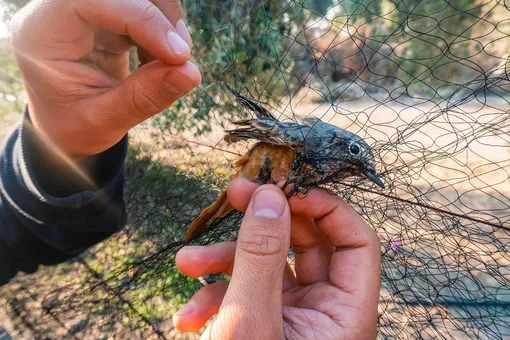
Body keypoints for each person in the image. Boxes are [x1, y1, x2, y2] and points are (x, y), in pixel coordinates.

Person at [0, 0, 381, 338]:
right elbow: (268, 128)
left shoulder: (324, 161)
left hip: (268, 183)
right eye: (351, 156)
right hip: (263, 169)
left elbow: (23, 232)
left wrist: (62, 149)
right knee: (223, 207)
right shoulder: (308, 142)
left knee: (228, 208)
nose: (352, 167)